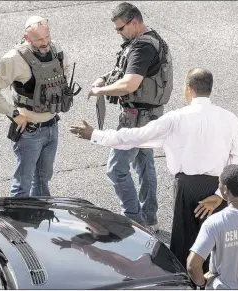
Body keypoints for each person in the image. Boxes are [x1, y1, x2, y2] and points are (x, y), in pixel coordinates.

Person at [69, 67, 238, 275]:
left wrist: (96, 134)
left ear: (188, 89)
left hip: (186, 188)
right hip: (219, 188)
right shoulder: (230, 118)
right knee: (216, 247)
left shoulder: (176, 118)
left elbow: (135, 136)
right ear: (210, 89)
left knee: (186, 246)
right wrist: (219, 196)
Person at [86, 2, 173, 232]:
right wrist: (105, 78)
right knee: (145, 164)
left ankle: (134, 221)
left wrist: (99, 91)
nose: (118, 33)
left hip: (137, 117)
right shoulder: (149, 39)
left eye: (120, 28)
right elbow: (129, 69)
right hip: (149, 114)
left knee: (116, 169)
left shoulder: (142, 47)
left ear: (134, 22)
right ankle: (150, 219)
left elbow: (131, 82)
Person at [0, 15, 76, 198]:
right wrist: (14, 114)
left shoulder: (56, 49)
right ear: (27, 38)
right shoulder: (14, 59)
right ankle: (19, 225)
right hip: (30, 131)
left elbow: (63, 74)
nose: (45, 43)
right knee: (22, 186)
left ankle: (41, 221)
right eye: (39, 39)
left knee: (43, 179)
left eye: (47, 37)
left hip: (52, 125)